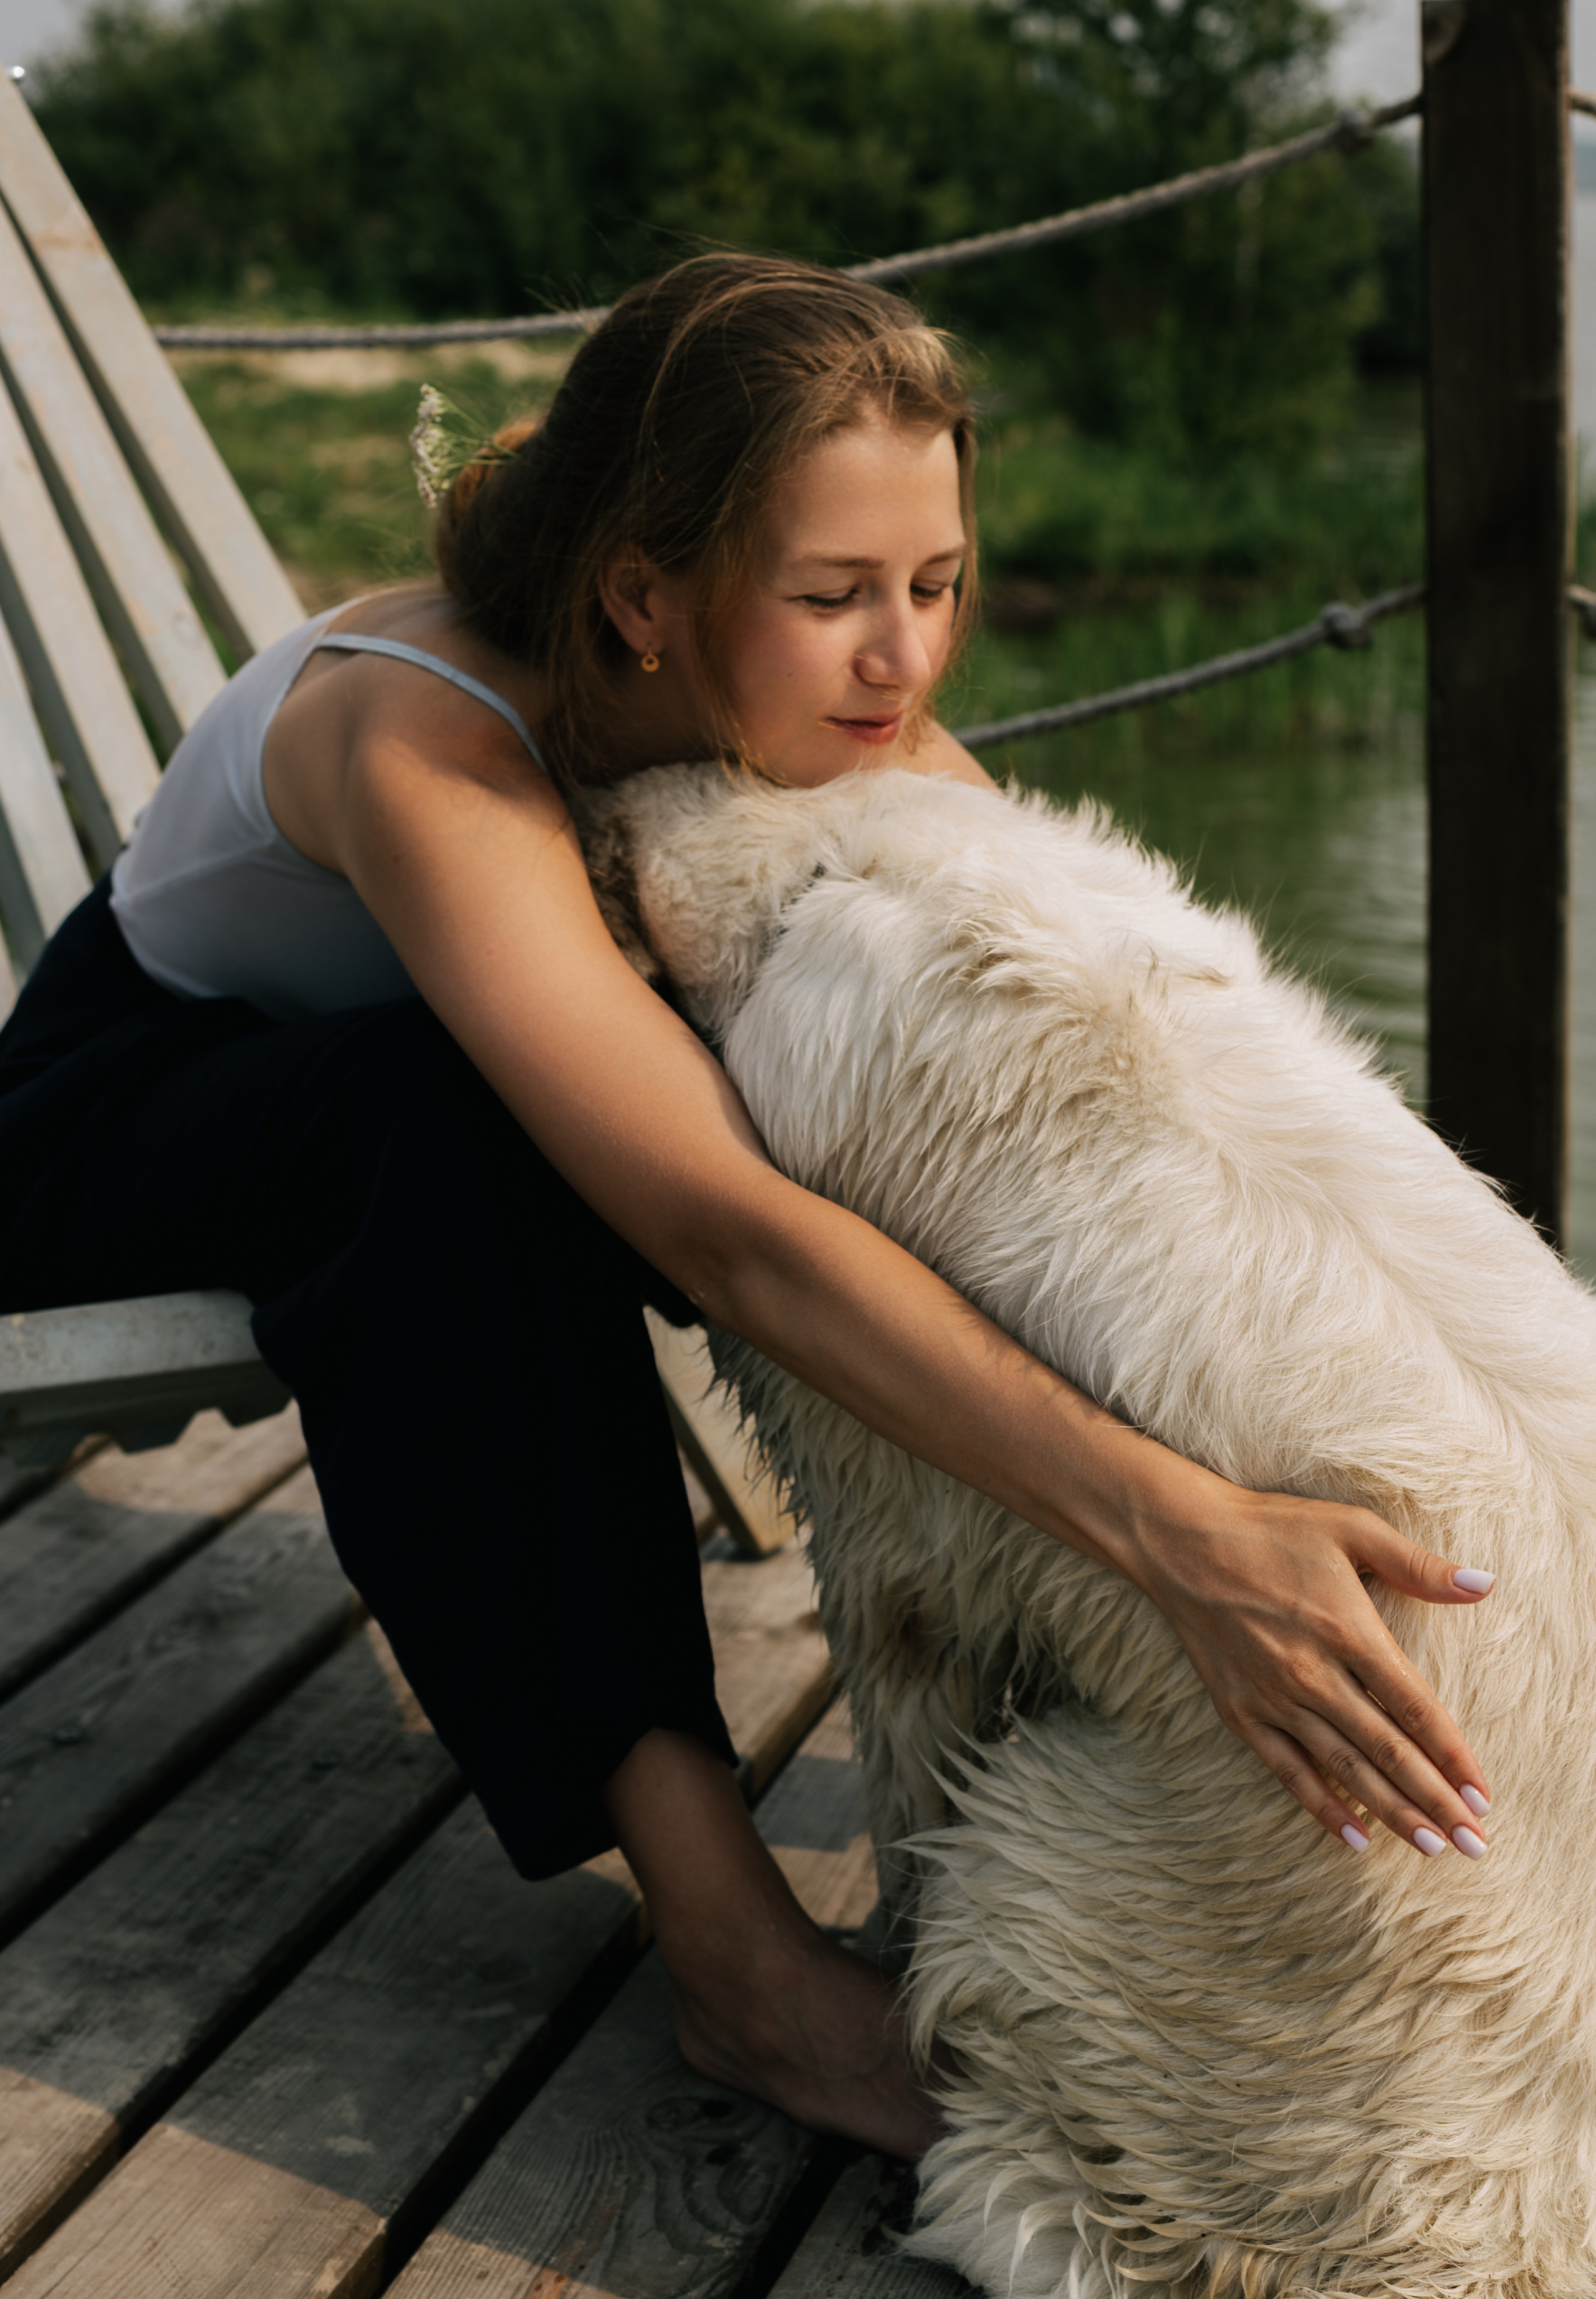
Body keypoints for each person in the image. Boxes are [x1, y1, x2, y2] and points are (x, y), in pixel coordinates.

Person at [0, 254, 1496, 2161]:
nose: (907, 661)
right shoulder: (425, 741)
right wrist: (1177, 1534)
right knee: (451, 1134)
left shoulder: (811, 707)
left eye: (936, 585)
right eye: (834, 598)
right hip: (108, 1130)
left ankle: (1094, 1805)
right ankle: (739, 1968)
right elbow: (713, 1226)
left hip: (460, 1143)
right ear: (643, 595)